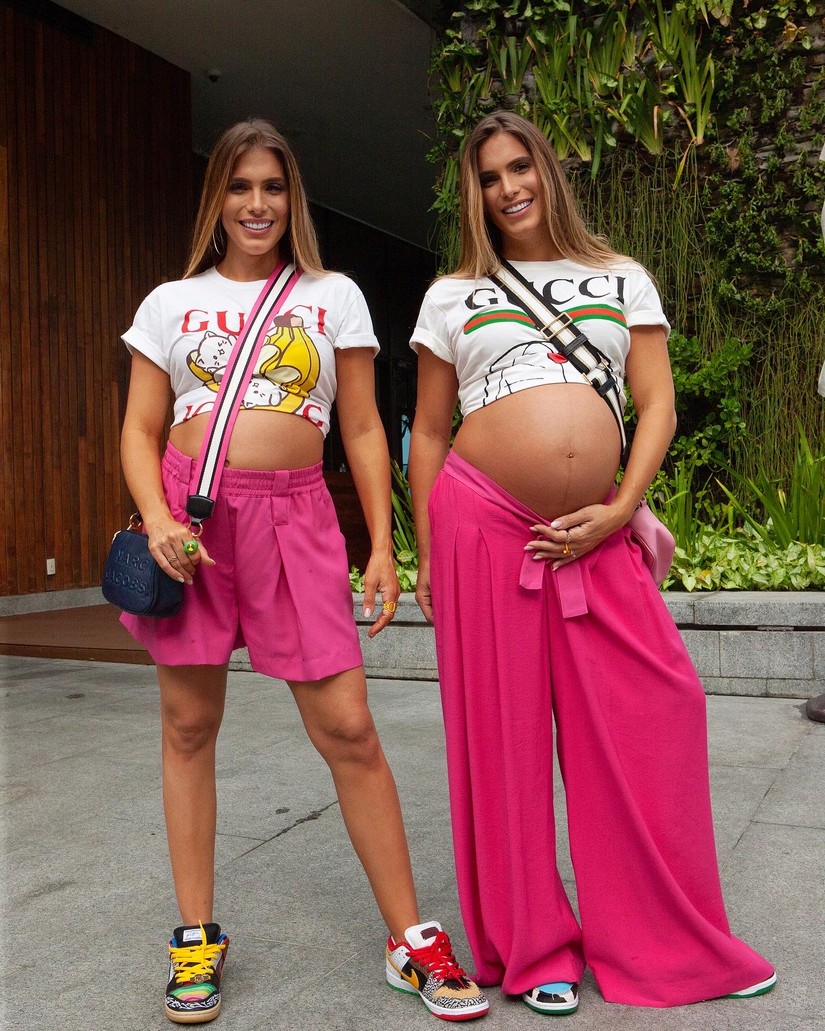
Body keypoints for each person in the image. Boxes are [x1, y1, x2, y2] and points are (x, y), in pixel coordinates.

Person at [119, 119, 488, 1025]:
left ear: (293, 199)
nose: (257, 204)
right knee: (188, 725)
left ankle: (409, 937)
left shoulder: (333, 295)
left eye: (273, 187)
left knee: (350, 727)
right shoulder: (170, 301)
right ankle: (196, 935)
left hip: (296, 518)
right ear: (217, 196)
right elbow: (139, 428)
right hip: (191, 521)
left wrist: (382, 544)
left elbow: (360, 426)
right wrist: (157, 516)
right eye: (240, 186)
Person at [407, 111, 777, 1014]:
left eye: (519, 167)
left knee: (661, 708)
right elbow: (429, 430)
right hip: (481, 523)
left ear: (547, 170)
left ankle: (664, 940)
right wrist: (424, 549)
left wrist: (620, 507)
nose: (508, 188)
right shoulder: (452, 293)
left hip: (598, 529)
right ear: (474, 194)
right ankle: (535, 948)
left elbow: (657, 404)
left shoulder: (619, 276)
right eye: (488, 177)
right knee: (502, 739)